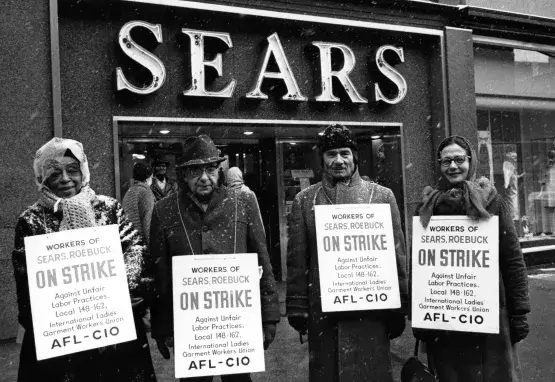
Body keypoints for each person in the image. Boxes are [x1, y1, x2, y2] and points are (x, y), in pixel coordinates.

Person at [12, 137, 156, 381]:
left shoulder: (108, 208)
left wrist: (122, 289)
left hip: (114, 333)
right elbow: (26, 282)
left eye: (72, 170)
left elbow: (135, 249)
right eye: (55, 173)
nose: (66, 179)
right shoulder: (31, 220)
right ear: (42, 178)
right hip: (63, 341)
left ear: (83, 171)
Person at [149, 135, 280, 382]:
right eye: (195, 171)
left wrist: (269, 315)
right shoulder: (165, 209)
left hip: (235, 323)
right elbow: (160, 271)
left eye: (210, 169)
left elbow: (261, 260)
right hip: (191, 327)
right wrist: (162, 326)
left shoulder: (242, 202)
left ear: (219, 172)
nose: (204, 178)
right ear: (183, 175)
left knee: (239, 379)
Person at [286, 124, 408, 381]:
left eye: (345, 153)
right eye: (331, 154)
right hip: (324, 313)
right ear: (322, 158)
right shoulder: (306, 200)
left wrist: (400, 304)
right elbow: (297, 261)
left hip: (372, 312)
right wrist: (297, 306)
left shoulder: (382, 196)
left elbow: (397, 256)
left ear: (355, 157)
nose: (338, 160)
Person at [414, 135, 530, 381]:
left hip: (488, 315)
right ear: (439, 164)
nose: (453, 166)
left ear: (471, 161)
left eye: (459, 159)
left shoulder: (491, 201)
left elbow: (511, 258)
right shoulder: (428, 205)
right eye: (446, 161)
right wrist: (420, 312)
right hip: (445, 315)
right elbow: (420, 264)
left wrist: (519, 312)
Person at [122, 162, 156, 244]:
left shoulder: (130, 191)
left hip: (129, 241)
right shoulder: (145, 193)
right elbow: (148, 223)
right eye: (151, 177)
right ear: (147, 178)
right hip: (141, 243)